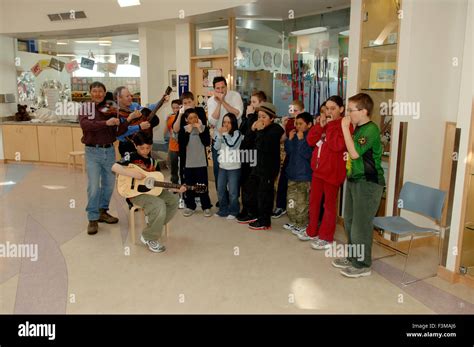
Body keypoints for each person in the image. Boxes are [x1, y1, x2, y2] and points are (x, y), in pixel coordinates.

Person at [332, 93, 385, 278]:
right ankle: (353, 257)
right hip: (354, 180)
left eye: (351, 110)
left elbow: (354, 154)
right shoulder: (358, 128)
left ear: (363, 111)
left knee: (360, 226)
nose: (348, 114)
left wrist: (345, 128)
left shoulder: (371, 130)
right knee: (349, 221)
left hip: (368, 183)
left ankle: (362, 265)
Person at [111, 132, 186, 253]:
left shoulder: (153, 162)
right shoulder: (131, 156)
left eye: (148, 148)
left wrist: (175, 188)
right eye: (142, 148)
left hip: (152, 191)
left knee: (173, 200)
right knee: (159, 205)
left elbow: (159, 181)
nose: (145, 151)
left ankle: (153, 224)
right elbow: (114, 167)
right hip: (134, 194)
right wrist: (132, 173)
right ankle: (149, 237)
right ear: (135, 145)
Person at [79, 81, 129, 235]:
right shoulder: (86, 108)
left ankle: (102, 211)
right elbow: (86, 125)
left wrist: (122, 120)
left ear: (105, 92)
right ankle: (92, 218)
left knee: (108, 185)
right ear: (90, 92)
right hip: (93, 152)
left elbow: (119, 131)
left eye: (100, 91)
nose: (98, 94)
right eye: (94, 91)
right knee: (94, 186)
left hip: (109, 151)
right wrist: (105, 123)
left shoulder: (111, 107)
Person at [303, 95, 348, 246]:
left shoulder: (344, 124)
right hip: (318, 170)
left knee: (328, 206)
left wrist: (332, 125)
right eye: (327, 109)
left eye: (333, 109)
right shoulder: (323, 124)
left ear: (341, 109)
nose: (329, 112)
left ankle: (326, 237)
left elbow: (336, 146)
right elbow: (310, 141)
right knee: (314, 202)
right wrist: (320, 126)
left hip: (333, 173)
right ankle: (312, 231)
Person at [238, 102, 284, 230]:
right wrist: (252, 130)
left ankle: (264, 221)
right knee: (252, 191)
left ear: (272, 118)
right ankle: (254, 214)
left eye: (264, 117)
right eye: (259, 116)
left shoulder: (276, 130)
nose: (260, 120)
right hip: (256, 165)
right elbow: (245, 145)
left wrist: (260, 131)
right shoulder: (257, 127)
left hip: (268, 168)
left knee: (265, 194)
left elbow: (263, 146)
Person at [207, 76, 243, 202]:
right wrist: (218, 103)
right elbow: (212, 121)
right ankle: (222, 198)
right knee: (218, 170)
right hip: (219, 139)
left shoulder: (235, 96)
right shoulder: (211, 100)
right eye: (218, 88)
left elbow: (237, 114)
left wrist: (223, 102)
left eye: (223, 87)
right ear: (214, 88)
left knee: (234, 171)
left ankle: (234, 199)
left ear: (227, 86)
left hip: (234, 139)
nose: (221, 90)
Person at [273, 99, 305, 219]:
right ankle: (281, 206)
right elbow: (283, 139)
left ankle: (297, 212)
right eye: (291, 110)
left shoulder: (305, 123)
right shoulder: (290, 123)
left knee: (298, 186)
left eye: (295, 110)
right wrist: (283, 125)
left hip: (301, 159)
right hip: (290, 156)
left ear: (302, 111)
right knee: (283, 181)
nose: (293, 113)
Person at [237, 91, 267, 219]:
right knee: (244, 181)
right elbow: (242, 130)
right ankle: (245, 208)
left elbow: (251, 135)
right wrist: (246, 116)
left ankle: (251, 211)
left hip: (253, 153)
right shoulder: (249, 115)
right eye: (251, 102)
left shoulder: (260, 118)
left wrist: (250, 117)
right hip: (244, 152)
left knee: (251, 182)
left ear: (262, 103)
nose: (251, 104)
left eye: (254, 102)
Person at [114, 86, 167, 157]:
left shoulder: (134, 105)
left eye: (130, 95)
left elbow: (147, 110)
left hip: (143, 143)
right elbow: (120, 133)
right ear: (119, 98)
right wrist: (139, 127)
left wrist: (162, 101)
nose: (130, 98)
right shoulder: (114, 113)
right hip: (128, 145)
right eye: (127, 96)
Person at [283, 112, 313, 235]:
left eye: (301, 124)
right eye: (296, 124)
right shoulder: (294, 135)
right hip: (292, 174)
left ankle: (302, 223)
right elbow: (289, 152)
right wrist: (289, 140)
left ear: (309, 124)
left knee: (302, 201)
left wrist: (301, 140)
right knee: (291, 199)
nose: (298, 126)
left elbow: (307, 154)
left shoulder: (310, 137)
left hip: (304, 176)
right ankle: (293, 220)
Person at [179, 108, 213, 217]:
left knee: (202, 186)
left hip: (201, 163)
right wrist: (187, 133)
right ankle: (190, 206)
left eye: (195, 117)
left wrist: (201, 131)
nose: (193, 120)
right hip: (188, 164)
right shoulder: (183, 130)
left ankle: (206, 207)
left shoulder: (203, 128)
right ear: (186, 120)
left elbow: (207, 143)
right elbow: (182, 145)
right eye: (190, 118)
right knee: (189, 187)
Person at [214, 113, 243, 219]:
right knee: (221, 190)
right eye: (224, 122)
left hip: (234, 168)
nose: (226, 124)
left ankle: (234, 211)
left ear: (233, 123)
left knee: (233, 192)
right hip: (222, 166)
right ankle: (223, 210)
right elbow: (216, 147)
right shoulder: (222, 133)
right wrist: (219, 136)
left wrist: (225, 134)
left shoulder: (237, 133)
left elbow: (232, 145)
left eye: (229, 122)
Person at [164, 99, 182, 184]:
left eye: (177, 108)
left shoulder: (184, 116)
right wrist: (166, 120)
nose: (175, 110)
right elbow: (166, 132)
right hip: (173, 146)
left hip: (182, 146)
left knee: (182, 167)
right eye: (173, 108)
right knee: (173, 166)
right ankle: (174, 184)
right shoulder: (170, 117)